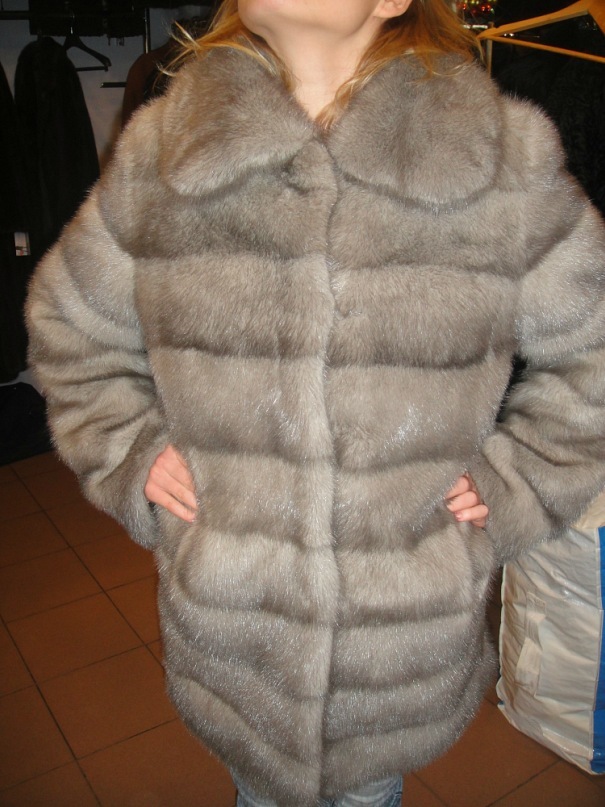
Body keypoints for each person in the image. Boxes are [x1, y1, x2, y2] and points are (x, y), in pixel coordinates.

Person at [25, 1, 605, 805]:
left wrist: (520, 479)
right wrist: (127, 447)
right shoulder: (168, 155)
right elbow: (69, 323)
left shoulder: (497, 162)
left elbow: (593, 350)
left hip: (398, 637)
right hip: (238, 627)